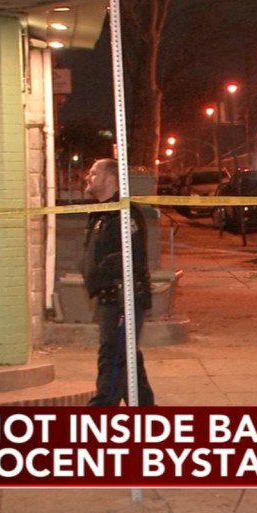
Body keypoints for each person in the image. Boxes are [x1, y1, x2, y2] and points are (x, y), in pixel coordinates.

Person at [80, 158, 156, 407]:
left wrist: (102, 271)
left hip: (123, 298)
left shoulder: (125, 213)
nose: (88, 177)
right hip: (108, 297)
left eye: (94, 173)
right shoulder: (101, 212)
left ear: (111, 178)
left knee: (114, 358)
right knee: (127, 359)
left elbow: (130, 256)